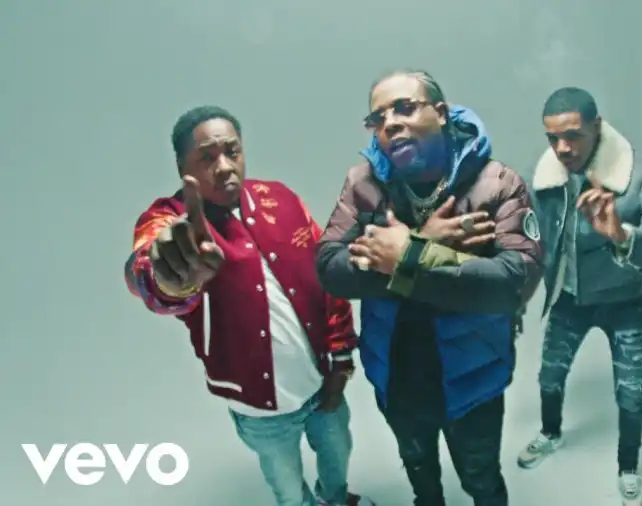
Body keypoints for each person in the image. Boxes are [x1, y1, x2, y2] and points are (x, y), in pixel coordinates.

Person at [123, 105, 374, 506]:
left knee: (338, 453)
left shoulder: (280, 198)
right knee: (288, 488)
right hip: (259, 408)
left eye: (232, 151)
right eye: (207, 157)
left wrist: (341, 359)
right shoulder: (171, 219)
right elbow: (149, 266)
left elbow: (325, 282)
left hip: (322, 381)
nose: (224, 166)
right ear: (182, 167)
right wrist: (170, 276)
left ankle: (337, 498)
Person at [315, 70, 543, 506]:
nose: (390, 123)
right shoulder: (363, 183)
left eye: (405, 108)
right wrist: (427, 245)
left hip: (473, 374)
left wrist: (408, 254)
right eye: (379, 118)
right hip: (396, 372)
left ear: (440, 113)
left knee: (481, 480)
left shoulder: (497, 183)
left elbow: (514, 282)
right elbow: (330, 268)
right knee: (420, 474)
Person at [516, 87, 642, 505]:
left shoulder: (640, 180)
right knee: (549, 376)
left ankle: (628, 468)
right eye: (553, 138)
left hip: (623, 303)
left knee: (630, 391)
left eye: (572, 135)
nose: (562, 148)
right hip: (568, 299)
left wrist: (622, 235)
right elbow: (530, 244)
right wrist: (515, 299)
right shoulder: (545, 181)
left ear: (597, 126)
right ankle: (550, 433)